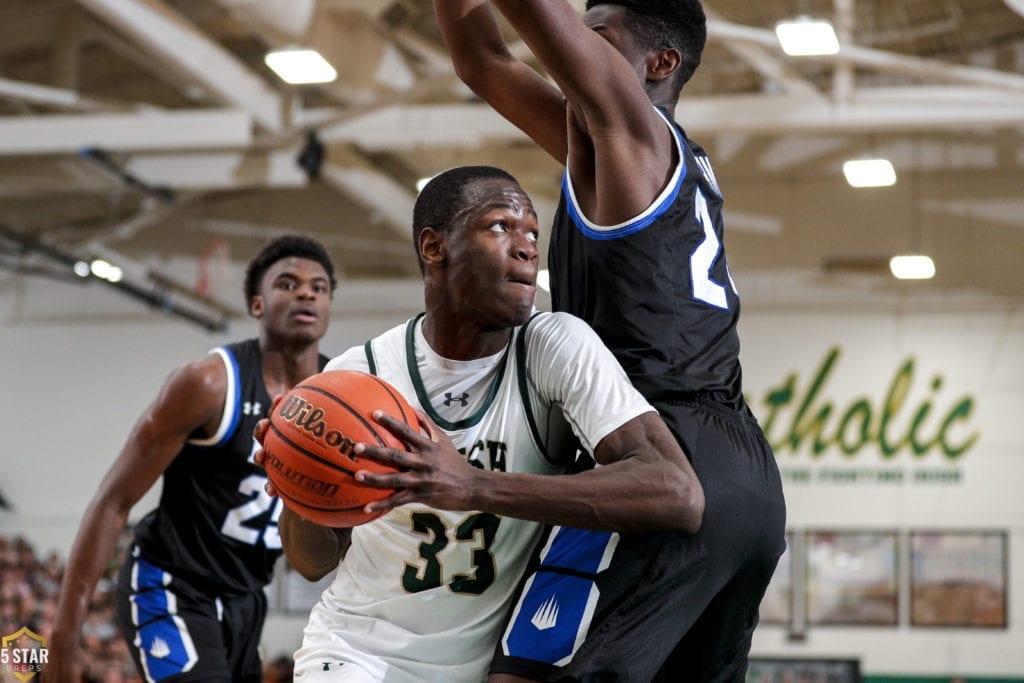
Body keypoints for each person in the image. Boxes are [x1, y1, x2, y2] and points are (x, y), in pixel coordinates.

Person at [433, 1, 787, 681]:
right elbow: (483, 61)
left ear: (659, 65)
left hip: (656, 452)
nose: (574, 48)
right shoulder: (609, 150)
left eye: (596, 37)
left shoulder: (637, 135)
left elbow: (534, 22)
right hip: (744, 478)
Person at [257, 165, 704, 683]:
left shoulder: (553, 347)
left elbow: (676, 491)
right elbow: (313, 563)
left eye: (533, 232)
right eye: (500, 226)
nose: (527, 247)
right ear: (434, 247)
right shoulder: (357, 376)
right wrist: (296, 483)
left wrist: (472, 485)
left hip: (493, 668)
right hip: (356, 651)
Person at [44, 235, 337, 683]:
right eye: (288, 283)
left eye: (319, 287)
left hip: (246, 598)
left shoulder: (339, 397)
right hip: (171, 584)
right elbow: (112, 500)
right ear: (257, 304)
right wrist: (65, 633)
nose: (306, 293)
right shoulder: (210, 383)